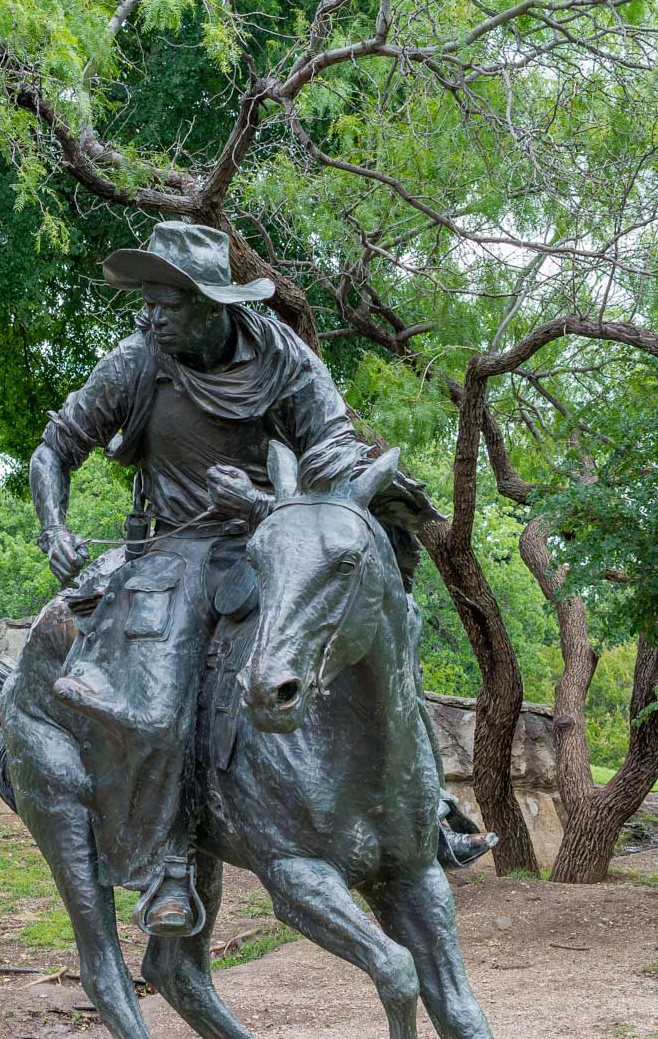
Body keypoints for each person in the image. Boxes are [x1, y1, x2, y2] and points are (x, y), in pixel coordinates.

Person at [30, 221, 494, 936]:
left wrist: (279, 506)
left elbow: (334, 452)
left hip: (277, 544)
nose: (151, 317)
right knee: (157, 701)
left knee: (380, 629)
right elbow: (55, 449)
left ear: (215, 302)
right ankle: (170, 860)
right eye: (146, 304)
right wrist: (54, 527)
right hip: (172, 561)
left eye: (167, 304)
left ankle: (423, 805)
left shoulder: (286, 360)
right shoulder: (136, 362)